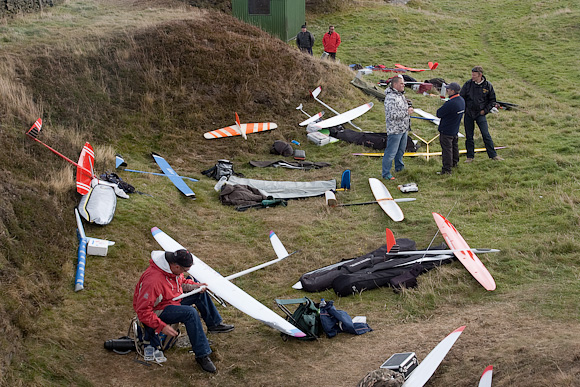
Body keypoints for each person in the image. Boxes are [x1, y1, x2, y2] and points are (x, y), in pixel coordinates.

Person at [133, 249, 234, 373]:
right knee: (190, 313)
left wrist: (195, 286)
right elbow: (142, 311)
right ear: (176, 266)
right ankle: (202, 355)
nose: (185, 273)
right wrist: (161, 326)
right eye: (184, 270)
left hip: (172, 300)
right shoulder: (153, 281)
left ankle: (214, 324)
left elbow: (180, 282)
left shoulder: (172, 268)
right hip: (158, 309)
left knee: (199, 293)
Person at [460, 66, 503, 162]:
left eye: (474, 75)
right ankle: (470, 157)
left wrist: (485, 111)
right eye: (472, 74)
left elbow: (492, 100)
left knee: (485, 134)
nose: (472, 76)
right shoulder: (468, 84)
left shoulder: (488, 86)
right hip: (469, 114)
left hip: (481, 114)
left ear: (480, 75)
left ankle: (493, 155)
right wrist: (465, 109)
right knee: (469, 136)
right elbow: (461, 97)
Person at [382, 75, 413, 180]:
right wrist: (406, 112)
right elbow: (392, 115)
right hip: (395, 130)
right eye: (401, 83)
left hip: (403, 128)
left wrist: (407, 106)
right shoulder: (391, 98)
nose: (403, 85)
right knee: (391, 153)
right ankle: (386, 174)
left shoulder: (400, 95)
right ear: (395, 84)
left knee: (401, 150)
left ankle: (399, 168)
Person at [436, 82, 465, 175]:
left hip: (446, 130)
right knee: (454, 146)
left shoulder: (451, 103)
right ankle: (454, 163)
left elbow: (439, 113)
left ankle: (446, 169)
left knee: (447, 150)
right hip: (455, 129)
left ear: (452, 91)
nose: (447, 90)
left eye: (448, 89)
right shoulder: (461, 100)